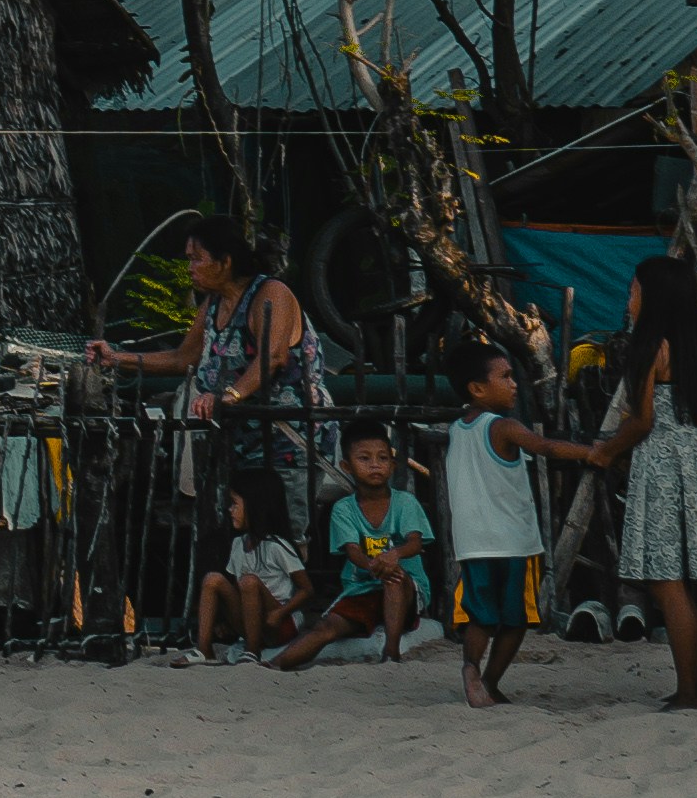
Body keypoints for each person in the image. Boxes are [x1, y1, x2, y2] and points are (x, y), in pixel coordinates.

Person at [92, 219, 330, 540]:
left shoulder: (271, 294)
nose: (189, 267)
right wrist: (116, 358)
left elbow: (272, 356)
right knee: (244, 549)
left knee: (283, 543)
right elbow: (182, 358)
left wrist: (229, 395)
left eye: (196, 258)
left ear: (225, 262)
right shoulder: (215, 303)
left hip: (284, 448)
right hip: (238, 450)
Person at [431, 327, 601, 709]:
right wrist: (590, 453)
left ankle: (472, 670)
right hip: (512, 543)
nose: (513, 385)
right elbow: (545, 447)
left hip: (473, 544)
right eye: (505, 377)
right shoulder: (504, 426)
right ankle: (490, 680)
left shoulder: (458, 429)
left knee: (481, 615)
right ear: (477, 388)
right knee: (517, 618)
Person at [602, 252, 697, 710]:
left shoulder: (649, 346)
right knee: (676, 582)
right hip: (692, 463)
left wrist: (606, 449)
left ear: (652, 297)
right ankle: (695, 686)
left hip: (660, 465)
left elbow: (640, 421)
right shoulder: (691, 349)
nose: (629, 298)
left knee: (665, 580)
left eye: (634, 289)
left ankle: (691, 690)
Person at [273, 430, 438, 667]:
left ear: (392, 465)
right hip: (363, 588)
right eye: (364, 459)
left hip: (407, 590)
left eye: (382, 459)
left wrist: (394, 555)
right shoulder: (343, 509)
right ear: (346, 466)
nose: (375, 465)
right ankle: (275, 665)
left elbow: (415, 542)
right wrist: (373, 565)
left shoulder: (405, 502)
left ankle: (391, 653)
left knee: (394, 576)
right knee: (327, 627)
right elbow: (352, 551)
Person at [188, 475, 305, 663]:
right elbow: (234, 590)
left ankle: (252, 650)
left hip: (280, 623)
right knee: (213, 579)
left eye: (235, 504)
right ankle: (204, 649)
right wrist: (223, 621)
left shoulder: (277, 546)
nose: (230, 510)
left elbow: (307, 590)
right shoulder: (238, 544)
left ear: (255, 506)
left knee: (249, 582)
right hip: (253, 623)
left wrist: (280, 613)